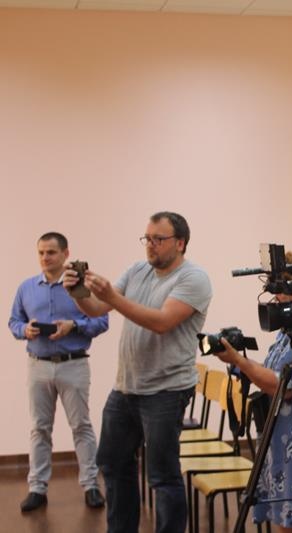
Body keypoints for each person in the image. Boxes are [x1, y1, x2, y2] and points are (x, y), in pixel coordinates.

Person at [65, 212, 212, 533]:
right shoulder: (137, 270)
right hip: (126, 387)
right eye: (147, 238)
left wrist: (112, 297)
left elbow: (161, 322)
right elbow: (97, 308)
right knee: (112, 462)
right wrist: (77, 293)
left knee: (162, 476)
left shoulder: (194, 278)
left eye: (159, 239)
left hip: (166, 390)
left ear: (180, 243)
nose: (150, 245)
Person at [212, 253, 292, 533]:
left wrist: (239, 361)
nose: (274, 300)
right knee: (285, 517)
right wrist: (240, 363)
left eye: (279, 291)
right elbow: (275, 374)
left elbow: (284, 387)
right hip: (282, 440)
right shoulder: (289, 331)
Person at [8, 232, 109, 512]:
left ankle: (91, 486)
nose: (45, 257)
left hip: (73, 364)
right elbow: (13, 322)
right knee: (39, 428)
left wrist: (73, 326)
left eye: (51, 252)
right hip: (38, 366)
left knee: (81, 426)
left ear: (66, 254)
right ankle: (37, 489)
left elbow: (101, 321)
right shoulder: (26, 288)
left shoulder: (79, 287)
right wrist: (25, 330)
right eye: (41, 252)